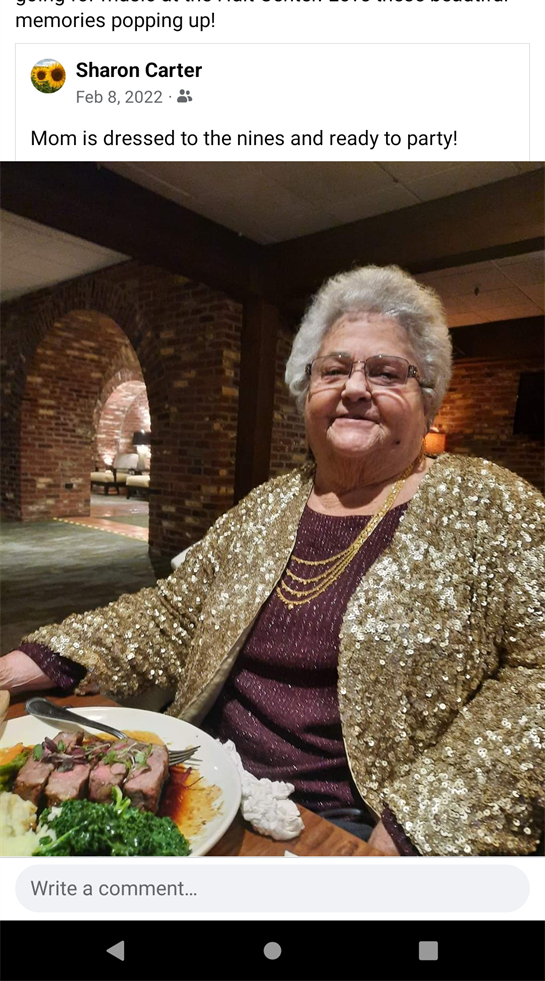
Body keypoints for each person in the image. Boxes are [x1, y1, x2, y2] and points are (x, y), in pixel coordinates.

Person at [2, 264, 544, 856]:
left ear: (428, 398)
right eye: (333, 370)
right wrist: (28, 664)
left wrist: (422, 822)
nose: (354, 388)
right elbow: (174, 613)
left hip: (350, 820)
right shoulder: (269, 503)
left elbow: (536, 677)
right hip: (204, 771)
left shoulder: (491, 505)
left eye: (386, 372)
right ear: (306, 391)